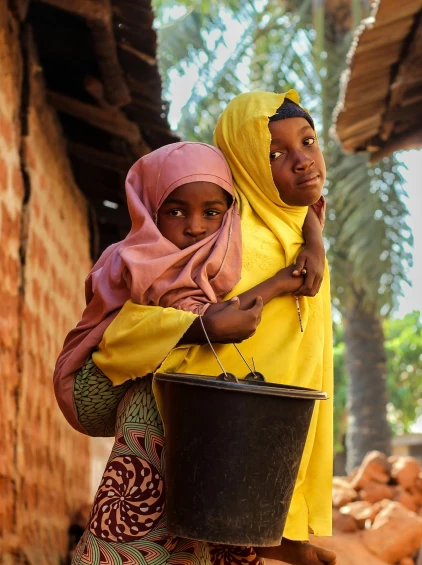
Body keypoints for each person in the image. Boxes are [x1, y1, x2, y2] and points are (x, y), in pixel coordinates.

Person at [54, 136, 330, 565]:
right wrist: (269, 289)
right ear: (150, 208)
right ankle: (121, 552)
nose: (196, 226)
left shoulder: (221, 253)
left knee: (208, 456)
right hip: (100, 383)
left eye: (212, 212)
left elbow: (290, 209)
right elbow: (136, 336)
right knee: (164, 403)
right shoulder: (137, 258)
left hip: (167, 385)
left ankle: (233, 544)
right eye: (176, 211)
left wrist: (313, 241)